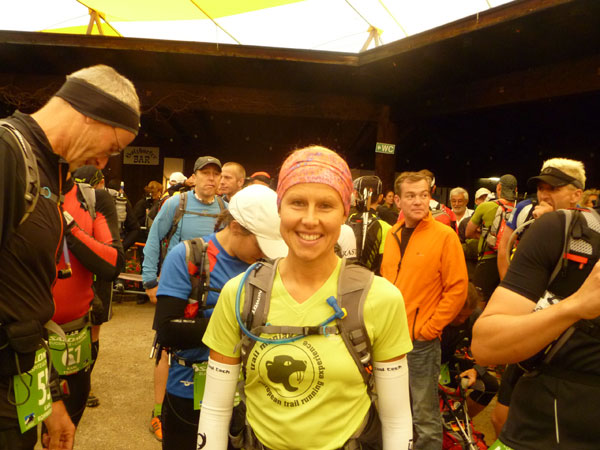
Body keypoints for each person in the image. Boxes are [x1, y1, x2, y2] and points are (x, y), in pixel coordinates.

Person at [198, 146, 413, 450]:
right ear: (280, 209)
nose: (310, 220)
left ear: (344, 213)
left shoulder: (381, 298)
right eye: (297, 203)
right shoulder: (241, 293)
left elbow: (397, 418)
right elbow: (215, 409)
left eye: (326, 205)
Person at [0, 64, 139, 450]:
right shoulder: (7, 153)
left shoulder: (45, 169)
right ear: (91, 112)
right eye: (112, 148)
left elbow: (26, 302)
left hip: (17, 389)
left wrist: (48, 397)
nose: (103, 162)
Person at [154, 184, 287, 449]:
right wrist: (237, 323)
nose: (264, 253)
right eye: (260, 243)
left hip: (250, 393)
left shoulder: (268, 267)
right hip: (190, 390)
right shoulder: (188, 256)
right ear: (236, 227)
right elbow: (167, 330)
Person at [471, 191, 600, 448]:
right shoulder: (559, 230)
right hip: (545, 424)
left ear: (576, 192)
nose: (545, 194)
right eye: (542, 188)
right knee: (500, 416)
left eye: (554, 188)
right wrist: (575, 306)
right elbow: (485, 346)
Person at [380, 170, 468, 450]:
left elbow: (457, 289)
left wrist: (430, 328)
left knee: (424, 414)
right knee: (393, 409)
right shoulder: (392, 234)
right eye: (410, 196)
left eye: (423, 195)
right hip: (390, 340)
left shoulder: (444, 236)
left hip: (421, 342)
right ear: (398, 201)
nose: (418, 201)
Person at [143, 156, 225, 440]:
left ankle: (200, 407)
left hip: (210, 294)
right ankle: (158, 412)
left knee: (205, 346)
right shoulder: (175, 204)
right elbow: (154, 239)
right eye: (206, 173)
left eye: (216, 174)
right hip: (176, 288)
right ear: (194, 177)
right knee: (166, 347)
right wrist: (149, 281)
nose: (211, 179)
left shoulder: (224, 208)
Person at [49, 172, 124, 427]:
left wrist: (69, 227)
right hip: (20, 339)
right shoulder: (16, 190)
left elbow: (112, 265)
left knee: (64, 433)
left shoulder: (93, 199)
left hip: (73, 335)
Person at [440, 283, 498, 419]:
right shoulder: (430, 312)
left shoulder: (475, 315)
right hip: (422, 366)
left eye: (466, 316)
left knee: (490, 385)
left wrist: (477, 370)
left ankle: (455, 420)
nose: (462, 320)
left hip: (446, 363)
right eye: (459, 315)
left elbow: (488, 347)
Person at [466, 174, 517, 303]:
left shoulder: (485, 206)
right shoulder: (519, 209)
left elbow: (468, 232)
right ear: (516, 190)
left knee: (478, 301)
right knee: (503, 302)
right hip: (510, 263)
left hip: (487, 260)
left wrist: (486, 237)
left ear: (498, 188)